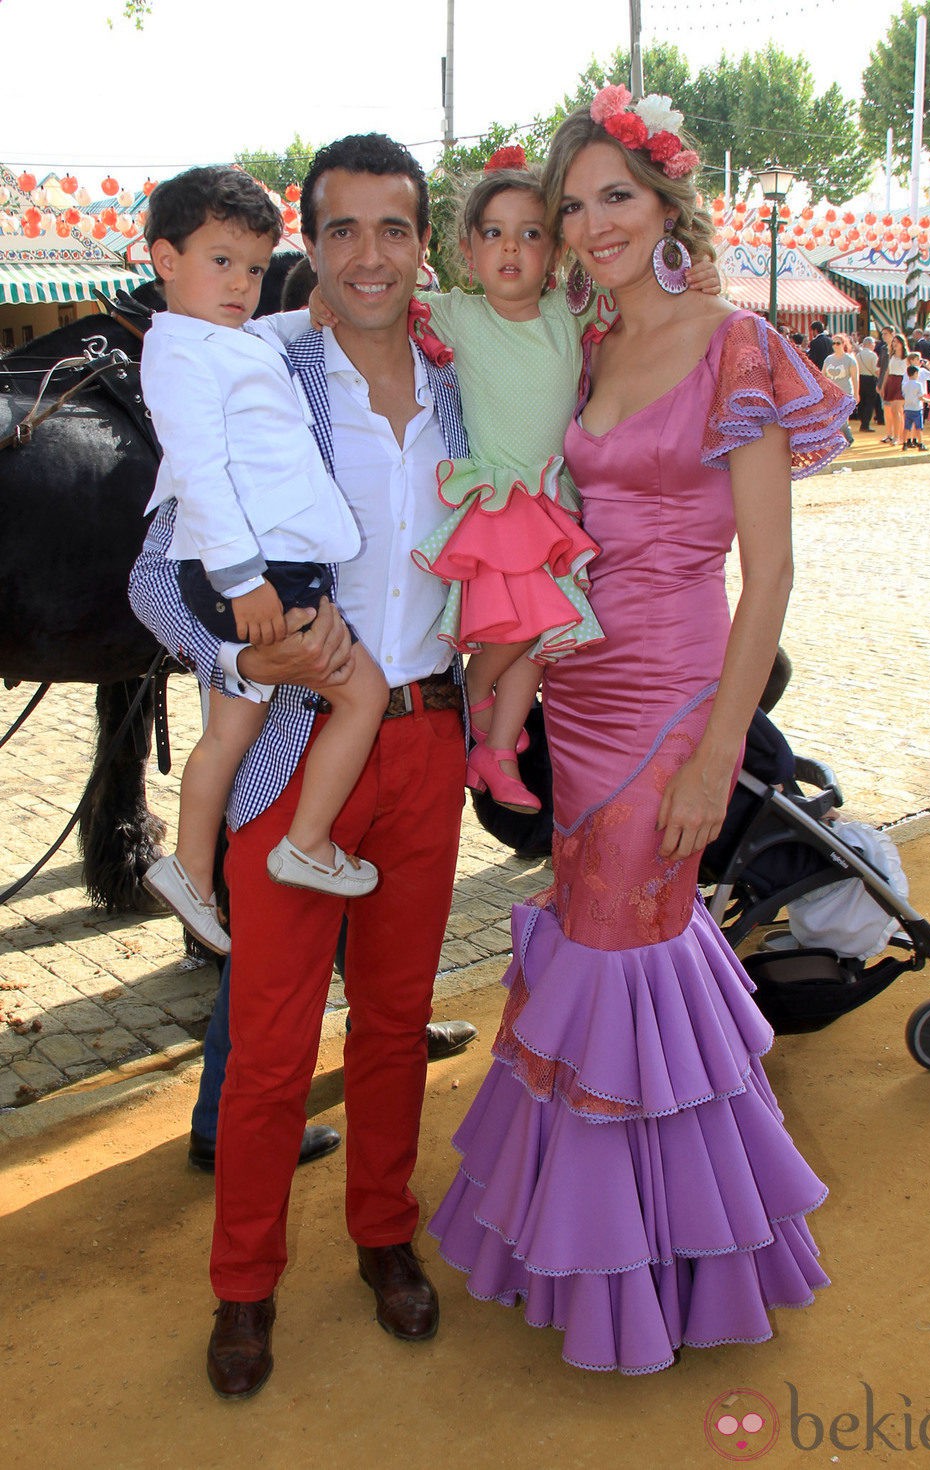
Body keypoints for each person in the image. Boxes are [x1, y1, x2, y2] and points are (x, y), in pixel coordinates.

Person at [430, 87, 851, 1375]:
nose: (589, 222)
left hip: (671, 699)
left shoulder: (736, 348)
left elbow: (767, 578)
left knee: (621, 944)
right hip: (577, 682)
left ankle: (649, 1272)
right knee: (615, 942)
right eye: (571, 205)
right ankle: (641, 1237)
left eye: (615, 195)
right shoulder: (587, 340)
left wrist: (721, 751)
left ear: (667, 202)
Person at [130, 132, 475, 1401]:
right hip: (291, 752)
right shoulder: (246, 365)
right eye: (341, 231)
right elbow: (155, 577)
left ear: (421, 242)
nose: (369, 255)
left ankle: (383, 1235)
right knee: (272, 1048)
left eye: (394, 229)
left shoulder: (461, 388)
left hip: (426, 739)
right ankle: (243, 1286)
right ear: (308, 248)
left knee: (393, 1027)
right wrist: (236, 664)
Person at [308, 150, 721, 815]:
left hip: (554, 504)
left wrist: (694, 276)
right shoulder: (456, 314)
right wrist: (320, 296)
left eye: (531, 234)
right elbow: (369, 295)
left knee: (546, 634)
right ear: (467, 253)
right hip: (500, 502)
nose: (511, 249)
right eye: (494, 233)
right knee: (525, 622)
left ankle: (495, 750)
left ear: (557, 253)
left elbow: (647, 296)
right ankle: (471, 701)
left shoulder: (572, 312)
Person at [138, 168, 390, 957]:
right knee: (365, 693)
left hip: (271, 567)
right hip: (260, 573)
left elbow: (272, 339)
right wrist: (242, 582)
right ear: (164, 260)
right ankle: (305, 842)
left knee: (230, 731)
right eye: (220, 262)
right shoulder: (177, 353)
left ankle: (189, 870)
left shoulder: (231, 336)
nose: (240, 284)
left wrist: (310, 307)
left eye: (252, 268)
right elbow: (201, 472)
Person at [822, 334, 858, 444]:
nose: (835, 345)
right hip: (831, 393)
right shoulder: (828, 359)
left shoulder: (849, 359)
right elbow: (823, 376)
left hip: (845, 392)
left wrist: (856, 394)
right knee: (832, 417)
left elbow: (855, 378)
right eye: (833, 343)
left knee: (842, 417)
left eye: (838, 343)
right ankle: (837, 439)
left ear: (843, 344)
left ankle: (848, 438)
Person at [880, 332, 908, 445]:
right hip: (891, 382)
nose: (894, 344)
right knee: (888, 409)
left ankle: (898, 437)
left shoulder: (907, 357)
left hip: (901, 382)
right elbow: (887, 371)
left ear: (902, 343)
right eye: (893, 342)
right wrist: (882, 386)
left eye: (896, 341)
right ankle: (890, 434)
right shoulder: (891, 355)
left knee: (896, 410)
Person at [855, 334, 880, 431]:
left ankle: (862, 421)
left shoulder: (858, 355)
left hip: (860, 378)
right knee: (870, 402)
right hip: (870, 379)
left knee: (861, 402)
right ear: (870, 344)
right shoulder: (873, 355)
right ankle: (865, 424)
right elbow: (875, 369)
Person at [901, 362, 928, 450]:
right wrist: (927, 400)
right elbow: (920, 397)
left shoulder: (905, 385)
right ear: (915, 373)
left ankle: (904, 443)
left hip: (907, 408)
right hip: (916, 408)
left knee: (907, 427)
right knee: (918, 427)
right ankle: (920, 443)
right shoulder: (918, 385)